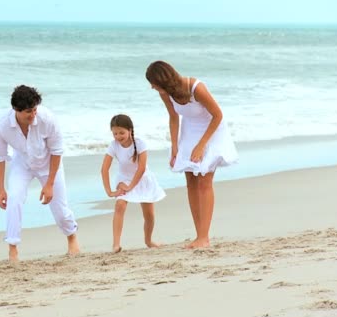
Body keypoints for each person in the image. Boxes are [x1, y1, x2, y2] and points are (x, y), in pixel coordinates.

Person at [146, 60, 238, 249]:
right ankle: (199, 235)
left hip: (210, 130)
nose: (152, 87)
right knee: (191, 183)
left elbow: (218, 115)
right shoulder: (166, 93)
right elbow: (173, 118)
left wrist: (201, 145)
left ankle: (204, 237)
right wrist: (174, 147)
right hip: (189, 131)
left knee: (204, 180)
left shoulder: (196, 87)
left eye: (153, 83)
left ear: (162, 80)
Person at [0, 84, 80, 262]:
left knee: (60, 209)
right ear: (16, 110)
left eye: (34, 110)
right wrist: (1, 189)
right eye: (28, 112)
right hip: (22, 163)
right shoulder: (1, 126)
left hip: (49, 164)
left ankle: (72, 237)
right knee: (14, 199)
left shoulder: (47, 119)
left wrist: (49, 184)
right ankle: (13, 249)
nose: (33, 115)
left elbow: (56, 151)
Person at [101, 114, 166, 253]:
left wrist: (131, 187)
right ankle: (116, 245)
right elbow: (104, 169)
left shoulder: (140, 143)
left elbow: (141, 168)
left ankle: (148, 240)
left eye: (121, 133)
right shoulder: (113, 146)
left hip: (142, 180)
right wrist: (109, 191)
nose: (118, 136)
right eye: (115, 133)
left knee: (149, 215)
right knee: (119, 205)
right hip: (124, 180)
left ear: (130, 130)